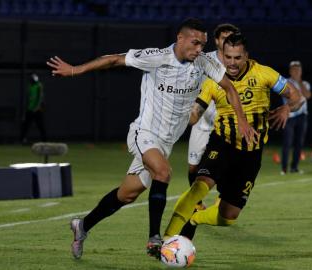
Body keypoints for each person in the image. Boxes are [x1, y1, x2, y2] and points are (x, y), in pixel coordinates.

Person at [46, 18, 257, 260]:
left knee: (127, 194)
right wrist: (74, 70)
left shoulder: (204, 62)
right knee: (163, 172)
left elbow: (229, 88)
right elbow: (114, 59)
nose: (200, 49)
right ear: (180, 38)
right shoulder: (157, 57)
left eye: (203, 44)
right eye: (195, 43)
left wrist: (241, 120)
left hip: (165, 144)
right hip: (143, 133)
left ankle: (82, 226)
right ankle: (155, 239)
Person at [164, 33, 303, 241]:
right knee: (199, 186)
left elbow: (297, 97)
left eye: (237, 58)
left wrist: (286, 109)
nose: (232, 63)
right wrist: (180, 114)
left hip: (251, 153)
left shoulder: (264, 74)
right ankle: (166, 240)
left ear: (246, 55)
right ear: (222, 55)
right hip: (222, 143)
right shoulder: (214, 81)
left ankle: (195, 219)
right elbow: (195, 115)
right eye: (228, 57)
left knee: (228, 217)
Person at [187, 23, 239, 196]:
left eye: (231, 38)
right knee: (194, 165)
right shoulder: (202, 59)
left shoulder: (238, 61)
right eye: (224, 38)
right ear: (216, 40)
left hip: (226, 122)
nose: (228, 42)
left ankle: (223, 201)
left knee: (227, 164)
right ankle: (196, 204)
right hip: (202, 120)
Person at [281, 60, 312, 175]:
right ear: (290, 71)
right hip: (289, 116)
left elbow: (308, 95)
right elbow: (289, 96)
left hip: (302, 116)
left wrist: (300, 82)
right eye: (294, 69)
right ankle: (284, 169)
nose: (297, 72)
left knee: (299, 143)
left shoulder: (305, 84)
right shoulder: (285, 82)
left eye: (298, 69)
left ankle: (294, 167)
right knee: (287, 143)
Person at [20, 73, 47, 144]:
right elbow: (28, 98)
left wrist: (37, 107)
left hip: (37, 110)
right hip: (30, 109)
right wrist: (27, 108)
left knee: (41, 125)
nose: (32, 81)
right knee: (26, 125)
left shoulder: (39, 85)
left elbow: (40, 97)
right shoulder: (29, 86)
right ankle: (23, 139)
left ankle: (44, 140)